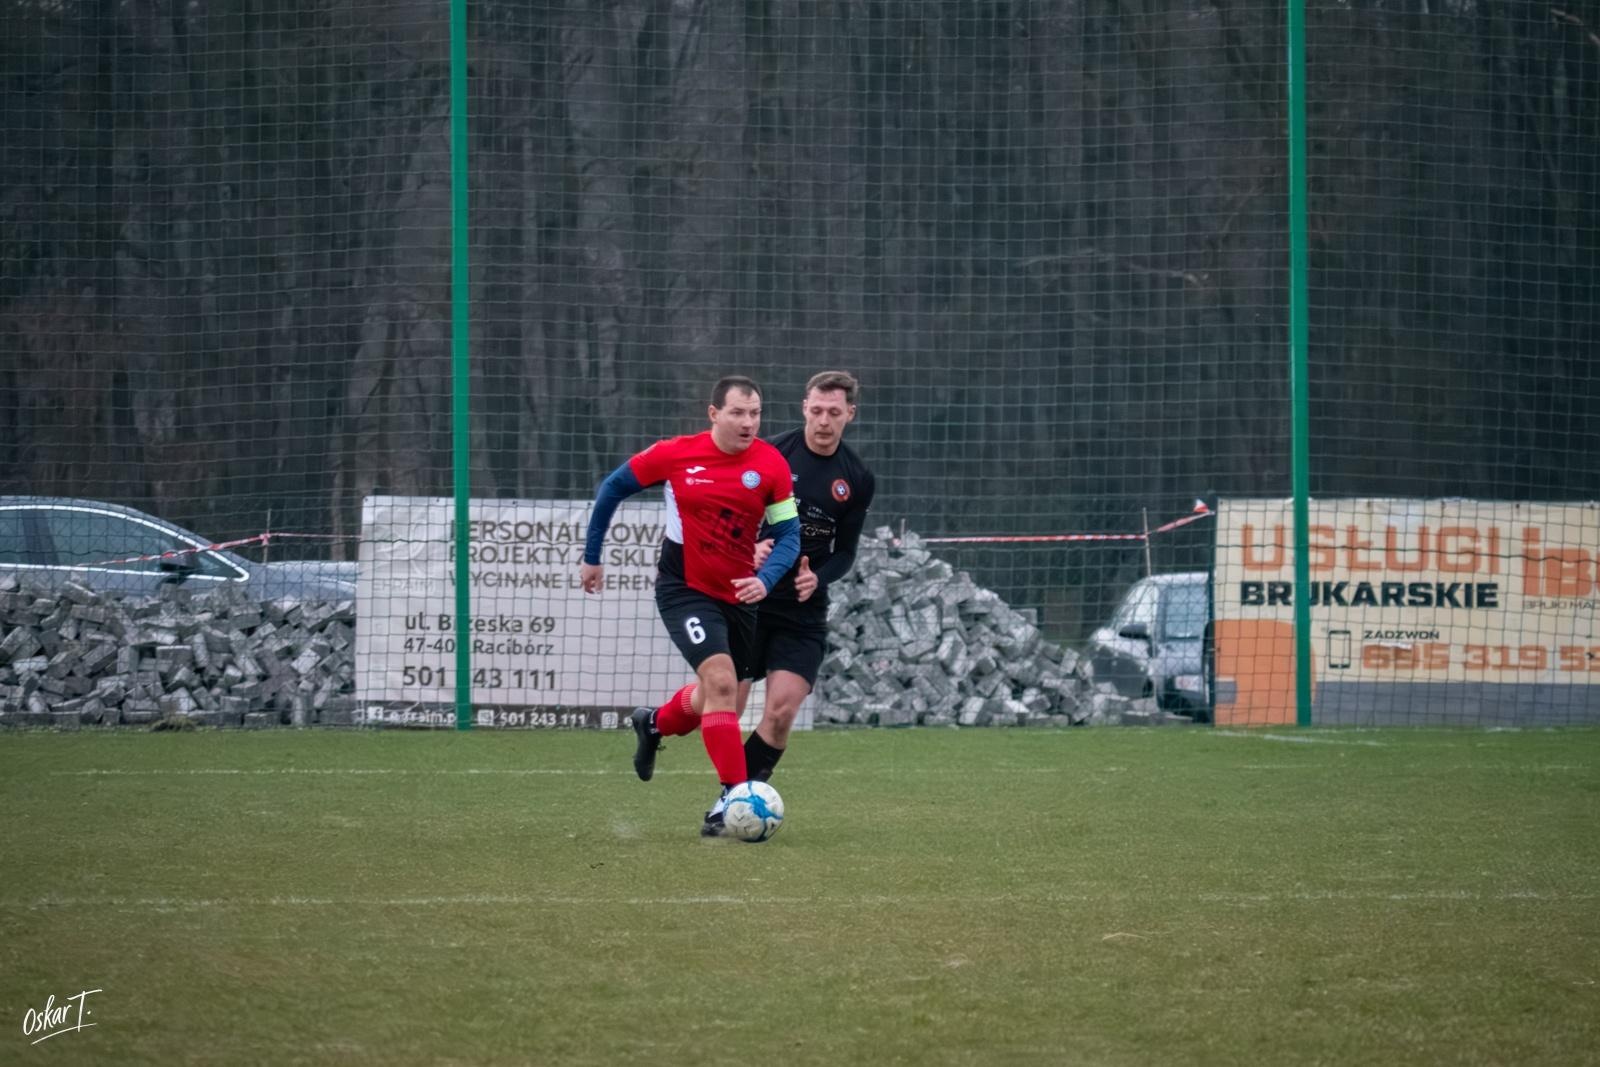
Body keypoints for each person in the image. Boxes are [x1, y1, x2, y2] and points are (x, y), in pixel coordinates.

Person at [632, 371, 876, 836]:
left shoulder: (857, 478)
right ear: (805, 407)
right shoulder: (772, 455)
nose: (824, 421)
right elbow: (730, 514)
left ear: (850, 415)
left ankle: (730, 807)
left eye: (835, 412)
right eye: (817, 410)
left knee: (781, 711)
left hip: (802, 613)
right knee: (720, 698)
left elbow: (845, 552)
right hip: (750, 600)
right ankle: (656, 725)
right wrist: (757, 552)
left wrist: (816, 578)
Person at [579, 375, 800, 833]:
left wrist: (766, 579)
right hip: (683, 588)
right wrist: (592, 556)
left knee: (717, 698)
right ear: (714, 413)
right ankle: (732, 801)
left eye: (755, 413)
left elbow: (788, 535)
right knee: (721, 682)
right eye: (738, 412)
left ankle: (654, 724)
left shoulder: (772, 465)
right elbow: (612, 488)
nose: (748, 422)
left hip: (739, 595)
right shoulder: (675, 454)